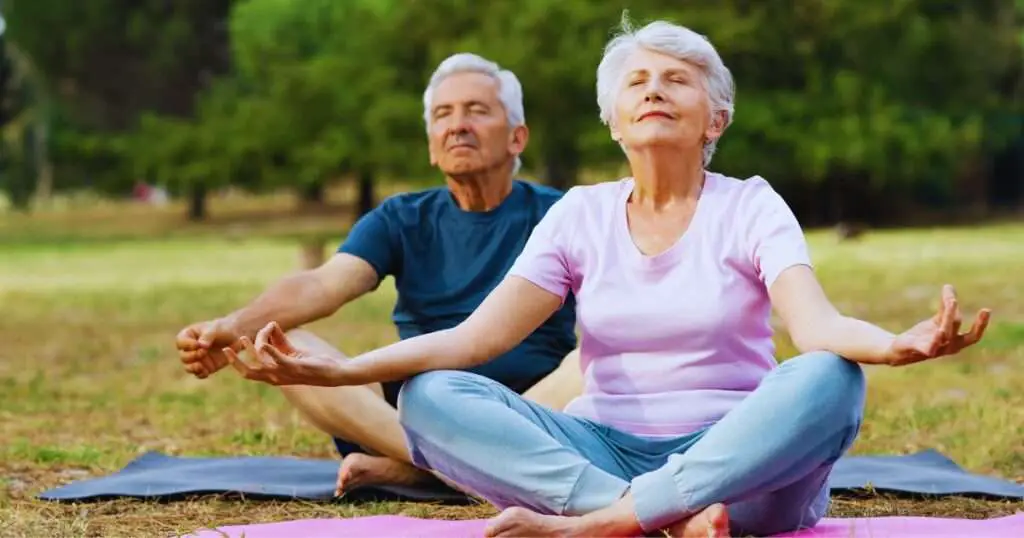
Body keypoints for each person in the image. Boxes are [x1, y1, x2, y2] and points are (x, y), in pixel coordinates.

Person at [222, 19, 992, 538]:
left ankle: (607, 526)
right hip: (602, 452)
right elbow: (472, 340)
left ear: (714, 118)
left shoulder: (752, 205)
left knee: (830, 379)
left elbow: (816, 327)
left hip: (745, 465)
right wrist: (345, 368)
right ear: (615, 121)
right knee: (431, 395)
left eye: (678, 80)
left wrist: (897, 344)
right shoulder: (580, 215)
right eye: (638, 82)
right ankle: (661, 515)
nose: (655, 89)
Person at [175, 52, 583, 496]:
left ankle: (424, 471)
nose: (457, 124)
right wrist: (233, 327)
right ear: (431, 144)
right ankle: (460, 468)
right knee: (280, 343)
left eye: (477, 110)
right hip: (416, 412)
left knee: (591, 361)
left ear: (517, 138)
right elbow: (324, 285)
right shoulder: (401, 217)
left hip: (532, 407)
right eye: (443, 114)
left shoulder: (563, 213)